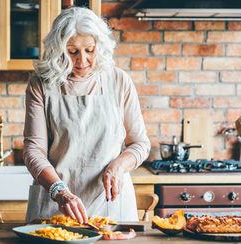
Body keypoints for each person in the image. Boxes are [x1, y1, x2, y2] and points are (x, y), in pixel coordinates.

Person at [23, 7, 150, 224]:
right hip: (57, 205)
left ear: (99, 46)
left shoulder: (119, 81)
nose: (82, 61)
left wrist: (117, 166)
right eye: (72, 52)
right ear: (59, 50)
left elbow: (140, 144)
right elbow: (34, 150)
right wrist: (60, 192)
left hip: (111, 207)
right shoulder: (41, 85)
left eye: (90, 50)